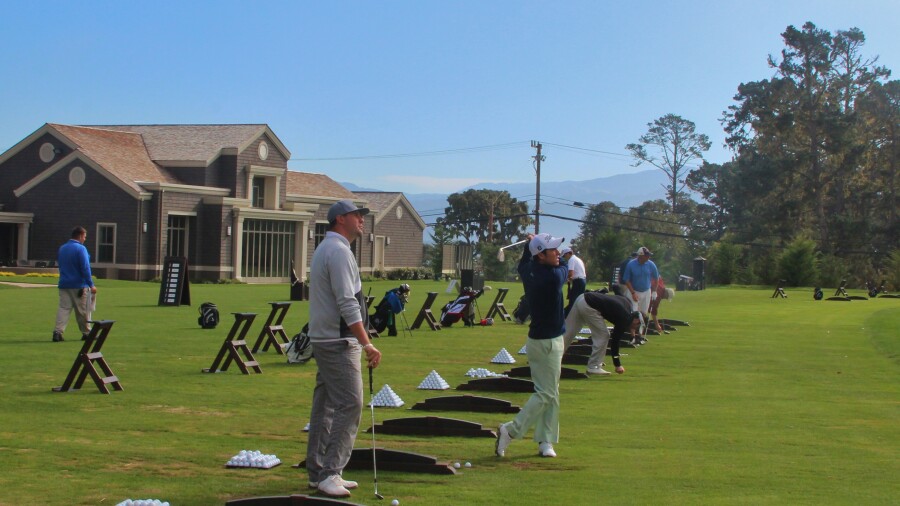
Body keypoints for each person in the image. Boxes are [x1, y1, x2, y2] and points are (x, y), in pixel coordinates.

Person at [306, 200, 382, 499]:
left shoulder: (330, 249)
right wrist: (366, 342)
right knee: (350, 403)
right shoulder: (338, 251)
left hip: (328, 338)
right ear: (340, 219)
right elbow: (347, 301)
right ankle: (330, 473)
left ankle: (318, 471)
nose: (362, 220)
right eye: (357, 215)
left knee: (325, 406)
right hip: (337, 341)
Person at [496, 233, 567, 459]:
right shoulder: (553, 277)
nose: (557, 253)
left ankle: (546, 440)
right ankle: (511, 430)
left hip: (539, 340)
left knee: (551, 392)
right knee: (546, 393)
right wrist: (533, 244)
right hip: (548, 342)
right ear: (541, 256)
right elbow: (565, 265)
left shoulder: (529, 270)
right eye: (552, 250)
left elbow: (523, 263)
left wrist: (529, 245)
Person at [562, 291, 643, 375]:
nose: (636, 329)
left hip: (582, 297)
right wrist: (617, 364)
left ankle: (554, 357)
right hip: (589, 305)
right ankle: (593, 366)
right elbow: (615, 342)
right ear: (636, 320)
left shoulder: (628, 305)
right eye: (637, 326)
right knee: (603, 335)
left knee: (568, 332)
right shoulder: (624, 319)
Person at [53, 226, 96, 342]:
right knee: (82, 310)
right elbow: (85, 268)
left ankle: (58, 332)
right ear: (81, 235)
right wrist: (91, 284)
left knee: (63, 309)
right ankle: (87, 333)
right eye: (85, 237)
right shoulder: (81, 249)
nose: (85, 239)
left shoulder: (62, 248)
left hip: (64, 283)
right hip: (79, 285)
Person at [559, 247, 587, 317]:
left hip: (578, 281)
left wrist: (564, 279)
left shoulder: (571, 260)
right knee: (577, 301)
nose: (565, 257)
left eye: (565, 255)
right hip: (582, 280)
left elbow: (570, 273)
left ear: (568, 253)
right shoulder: (577, 259)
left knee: (573, 302)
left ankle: (562, 316)